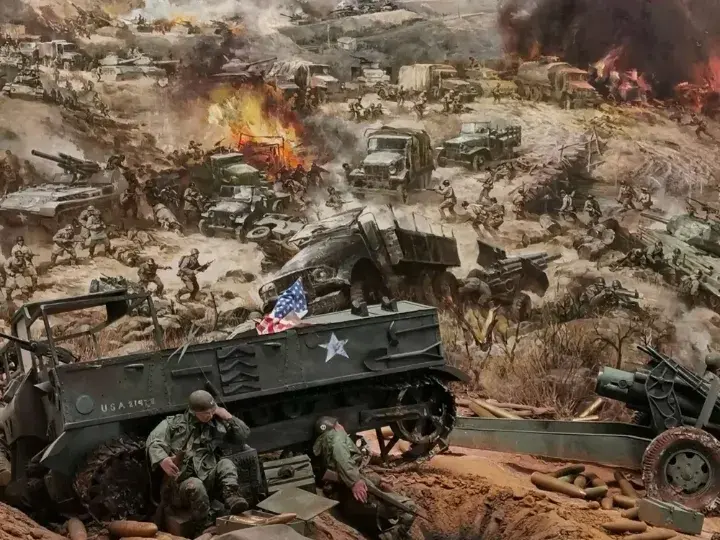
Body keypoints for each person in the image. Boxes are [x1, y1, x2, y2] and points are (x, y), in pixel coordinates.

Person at [147, 390, 250, 534]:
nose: (210, 415)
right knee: (195, 485)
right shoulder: (172, 424)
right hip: (180, 485)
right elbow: (154, 442)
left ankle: (231, 497)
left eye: (212, 411)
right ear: (194, 412)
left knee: (226, 464)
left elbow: (243, 435)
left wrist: (229, 417)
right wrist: (162, 459)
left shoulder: (215, 422)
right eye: (206, 413)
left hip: (208, 477)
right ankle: (203, 525)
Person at [313, 416, 416, 540]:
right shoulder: (336, 438)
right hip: (352, 494)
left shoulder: (325, 444)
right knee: (409, 509)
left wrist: (377, 479)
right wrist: (355, 482)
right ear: (335, 427)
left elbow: (348, 469)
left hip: (343, 495)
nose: (342, 427)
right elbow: (343, 459)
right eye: (339, 424)